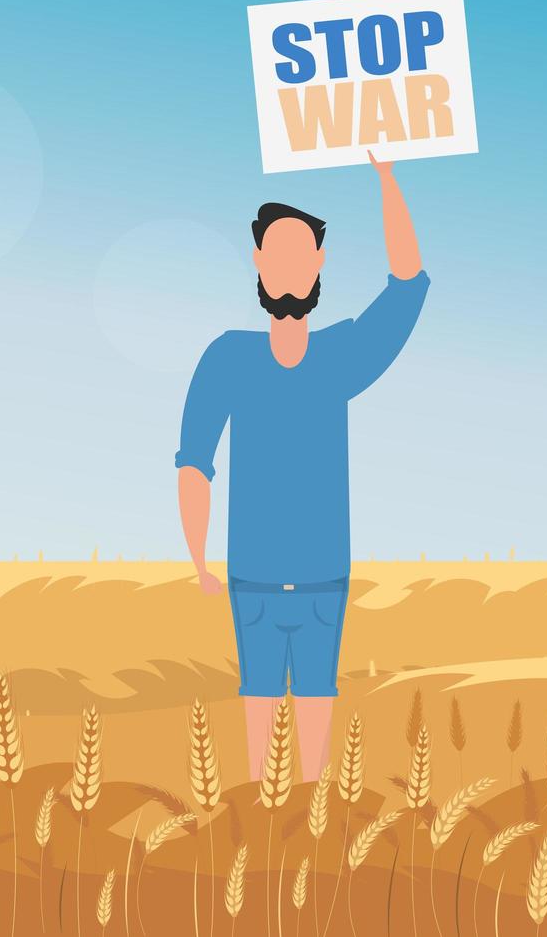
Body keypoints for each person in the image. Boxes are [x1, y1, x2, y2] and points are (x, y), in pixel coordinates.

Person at [175, 150, 429, 782]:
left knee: (316, 711)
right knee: (258, 712)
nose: (288, 266)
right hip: (253, 576)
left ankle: (311, 835)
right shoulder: (227, 358)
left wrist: (387, 179)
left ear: (319, 264)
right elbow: (193, 459)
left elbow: (407, 287)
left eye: (300, 253)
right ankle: (266, 831)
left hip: (321, 575)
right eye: (276, 253)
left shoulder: (340, 355)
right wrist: (199, 559)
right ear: (259, 262)